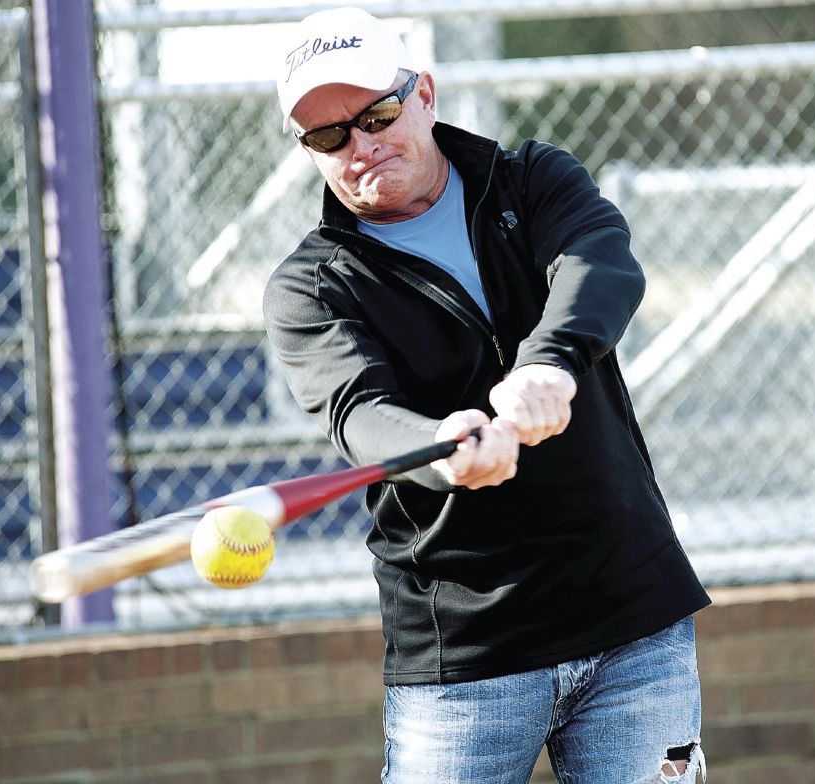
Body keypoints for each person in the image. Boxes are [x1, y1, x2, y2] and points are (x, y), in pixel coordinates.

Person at [262, 7, 712, 783]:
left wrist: (548, 365)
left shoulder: (532, 178)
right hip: (466, 658)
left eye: (377, 113)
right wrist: (441, 453)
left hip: (630, 620)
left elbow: (601, 263)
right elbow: (359, 415)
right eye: (328, 136)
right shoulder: (311, 286)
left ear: (425, 93)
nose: (362, 146)